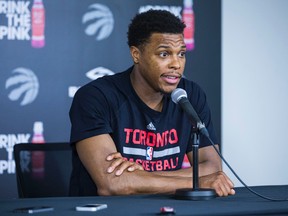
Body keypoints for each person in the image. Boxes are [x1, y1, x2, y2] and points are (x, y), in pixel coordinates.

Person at [69, 9, 235, 197]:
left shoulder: (191, 96)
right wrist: (196, 182)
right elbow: (112, 185)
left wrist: (139, 177)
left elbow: (213, 168)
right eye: (164, 54)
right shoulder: (96, 97)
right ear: (136, 54)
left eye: (181, 54)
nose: (176, 64)